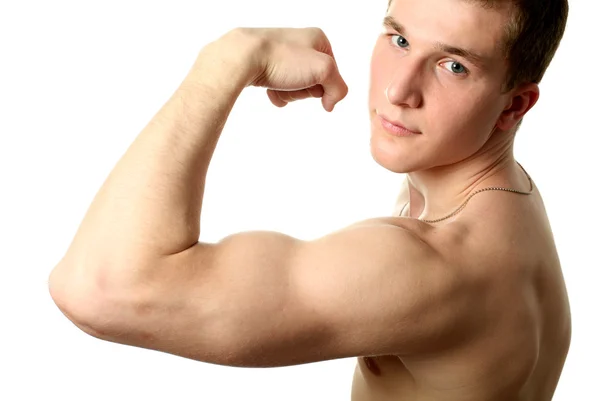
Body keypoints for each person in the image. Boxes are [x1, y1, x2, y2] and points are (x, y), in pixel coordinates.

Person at [48, 0, 571, 399]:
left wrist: (227, 59)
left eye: (453, 66)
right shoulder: (506, 200)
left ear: (515, 104)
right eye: (399, 39)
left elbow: (98, 287)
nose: (398, 91)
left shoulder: (428, 267)